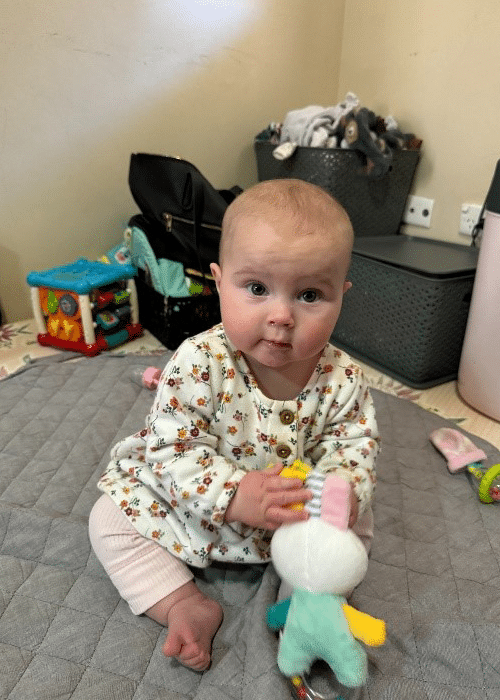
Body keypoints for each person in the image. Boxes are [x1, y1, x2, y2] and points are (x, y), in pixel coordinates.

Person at [89, 178, 379, 672]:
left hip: (292, 516)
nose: (281, 316)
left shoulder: (343, 376)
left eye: (310, 294)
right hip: (197, 504)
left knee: (359, 524)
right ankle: (181, 601)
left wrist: (343, 490)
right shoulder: (199, 360)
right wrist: (232, 493)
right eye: (257, 289)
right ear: (219, 282)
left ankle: (306, 607)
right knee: (108, 520)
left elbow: (353, 443)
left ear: (342, 295)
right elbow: (171, 448)